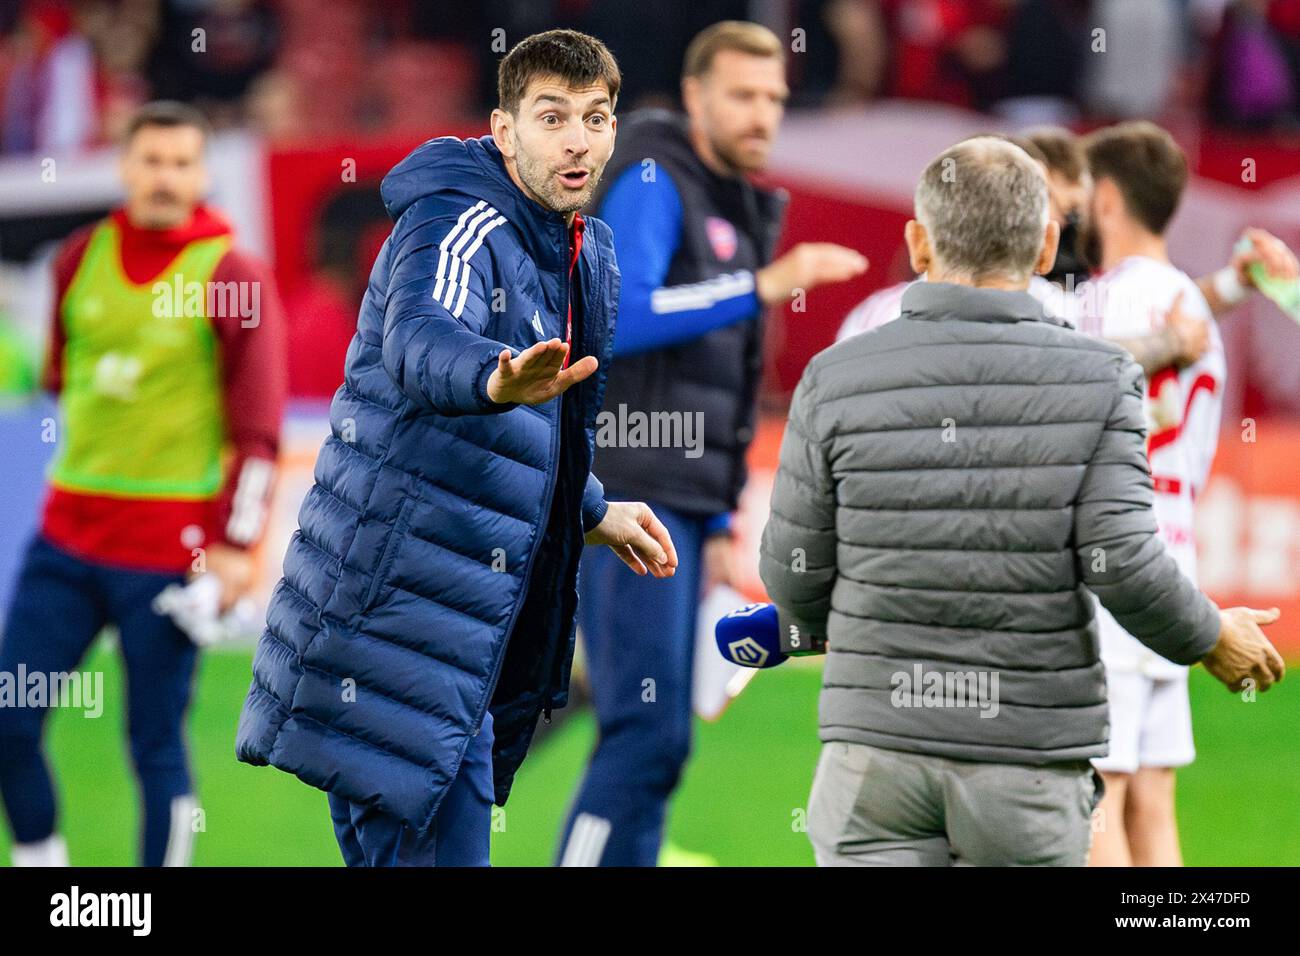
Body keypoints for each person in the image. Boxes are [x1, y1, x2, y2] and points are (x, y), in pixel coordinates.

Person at [759, 136, 1285, 867]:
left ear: (918, 242)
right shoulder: (1101, 377)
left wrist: (821, 627)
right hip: (1025, 755)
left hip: (873, 748)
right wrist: (1211, 638)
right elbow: (1124, 563)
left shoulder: (832, 375)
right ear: (1046, 245)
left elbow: (792, 570)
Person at [235, 29, 680, 868]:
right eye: (553, 118)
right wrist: (490, 377)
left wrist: (591, 507)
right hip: (388, 615)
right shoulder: (458, 218)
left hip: (448, 626)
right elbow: (421, 338)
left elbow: (533, 438)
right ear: (505, 131)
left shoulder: (583, 251)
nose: (578, 138)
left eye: (596, 116)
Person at [555, 20, 866, 868]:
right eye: (742, 94)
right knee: (640, 733)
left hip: (683, 504)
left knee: (660, 745)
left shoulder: (730, 199)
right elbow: (617, 318)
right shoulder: (655, 174)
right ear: (695, 96)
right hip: (626, 491)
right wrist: (761, 285)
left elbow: (719, 385)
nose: (762, 112)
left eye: (773, 97)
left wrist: (722, 518)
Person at [0, 101, 287, 867]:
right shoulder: (77, 258)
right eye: (151, 160)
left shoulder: (233, 275)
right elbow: (63, 382)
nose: (165, 177)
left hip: (167, 554)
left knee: (153, 744)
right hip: (64, 537)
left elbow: (258, 434)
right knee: (10, 720)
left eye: (182, 163)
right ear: (124, 165)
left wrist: (235, 545)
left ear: (202, 174)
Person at [1076, 121, 1225, 866]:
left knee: (1097, 793)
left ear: (1104, 197)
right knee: (1155, 803)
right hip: (1178, 560)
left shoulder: (1098, 305)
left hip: (1113, 570)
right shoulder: (1196, 313)